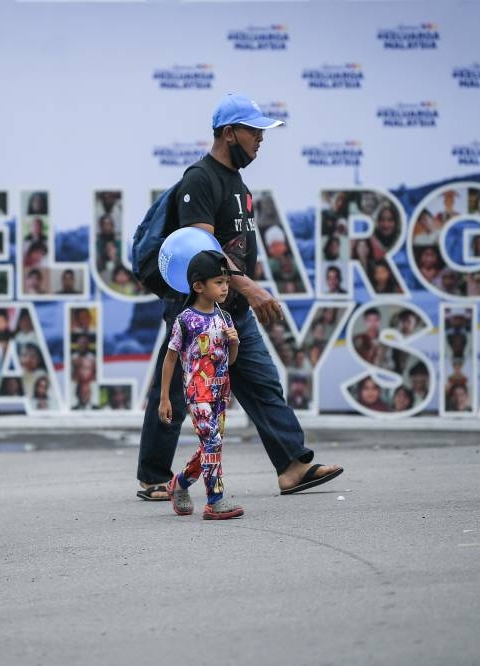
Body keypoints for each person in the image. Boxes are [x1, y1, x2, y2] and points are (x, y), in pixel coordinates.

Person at [137, 93, 344, 501]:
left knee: (263, 384)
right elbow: (203, 253)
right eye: (254, 131)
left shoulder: (237, 182)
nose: (260, 140)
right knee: (178, 391)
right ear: (229, 133)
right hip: (195, 307)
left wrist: (242, 292)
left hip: (231, 308)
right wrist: (249, 287)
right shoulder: (200, 178)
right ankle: (153, 477)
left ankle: (292, 466)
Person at [158, 250, 243, 519]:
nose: (225, 288)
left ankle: (179, 484)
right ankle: (214, 500)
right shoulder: (185, 321)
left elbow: (230, 361)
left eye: (227, 282)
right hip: (198, 392)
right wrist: (164, 398)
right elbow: (170, 359)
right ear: (198, 286)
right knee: (213, 442)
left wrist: (234, 343)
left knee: (211, 444)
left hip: (221, 391)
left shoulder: (225, 318)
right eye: (219, 282)